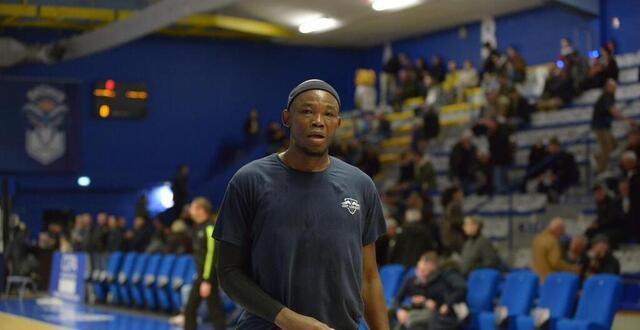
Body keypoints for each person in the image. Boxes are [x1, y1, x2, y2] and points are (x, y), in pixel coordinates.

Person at [213, 79, 389, 330]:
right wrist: (286, 319)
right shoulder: (249, 181)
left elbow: (369, 278)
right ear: (287, 117)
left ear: (338, 123)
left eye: (328, 114)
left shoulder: (360, 185)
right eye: (307, 111)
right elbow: (228, 272)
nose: (318, 120)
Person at [393, 252, 466, 330]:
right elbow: (397, 299)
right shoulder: (411, 281)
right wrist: (399, 310)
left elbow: (441, 301)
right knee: (404, 320)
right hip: (419, 313)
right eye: (420, 268)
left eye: (425, 269)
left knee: (412, 321)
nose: (423, 272)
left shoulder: (440, 279)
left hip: (437, 315)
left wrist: (428, 302)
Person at [184, 197, 226, 330]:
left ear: (201, 210)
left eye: (192, 207)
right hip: (201, 277)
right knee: (190, 310)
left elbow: (211, 256)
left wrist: (207, 280)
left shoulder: (209, 228)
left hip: (208, 279)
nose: (190, 211)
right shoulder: (197, 228)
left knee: (215, 312)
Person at [591, 79, 635, 174]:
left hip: (604, 126)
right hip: (601, 127)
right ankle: (600, 170)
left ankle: (597, 157)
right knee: (607, 148)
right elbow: (613, 111)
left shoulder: (608, 97)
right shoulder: (607, 97)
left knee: (614, 146)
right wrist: (626, 120)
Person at [439, 186, 465, 255]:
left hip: (446, 237)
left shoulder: (447, 205)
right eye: (459, 193)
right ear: (454, 195)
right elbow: (456, 222)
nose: (461, 195)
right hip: (454, 238)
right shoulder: (455, 205)